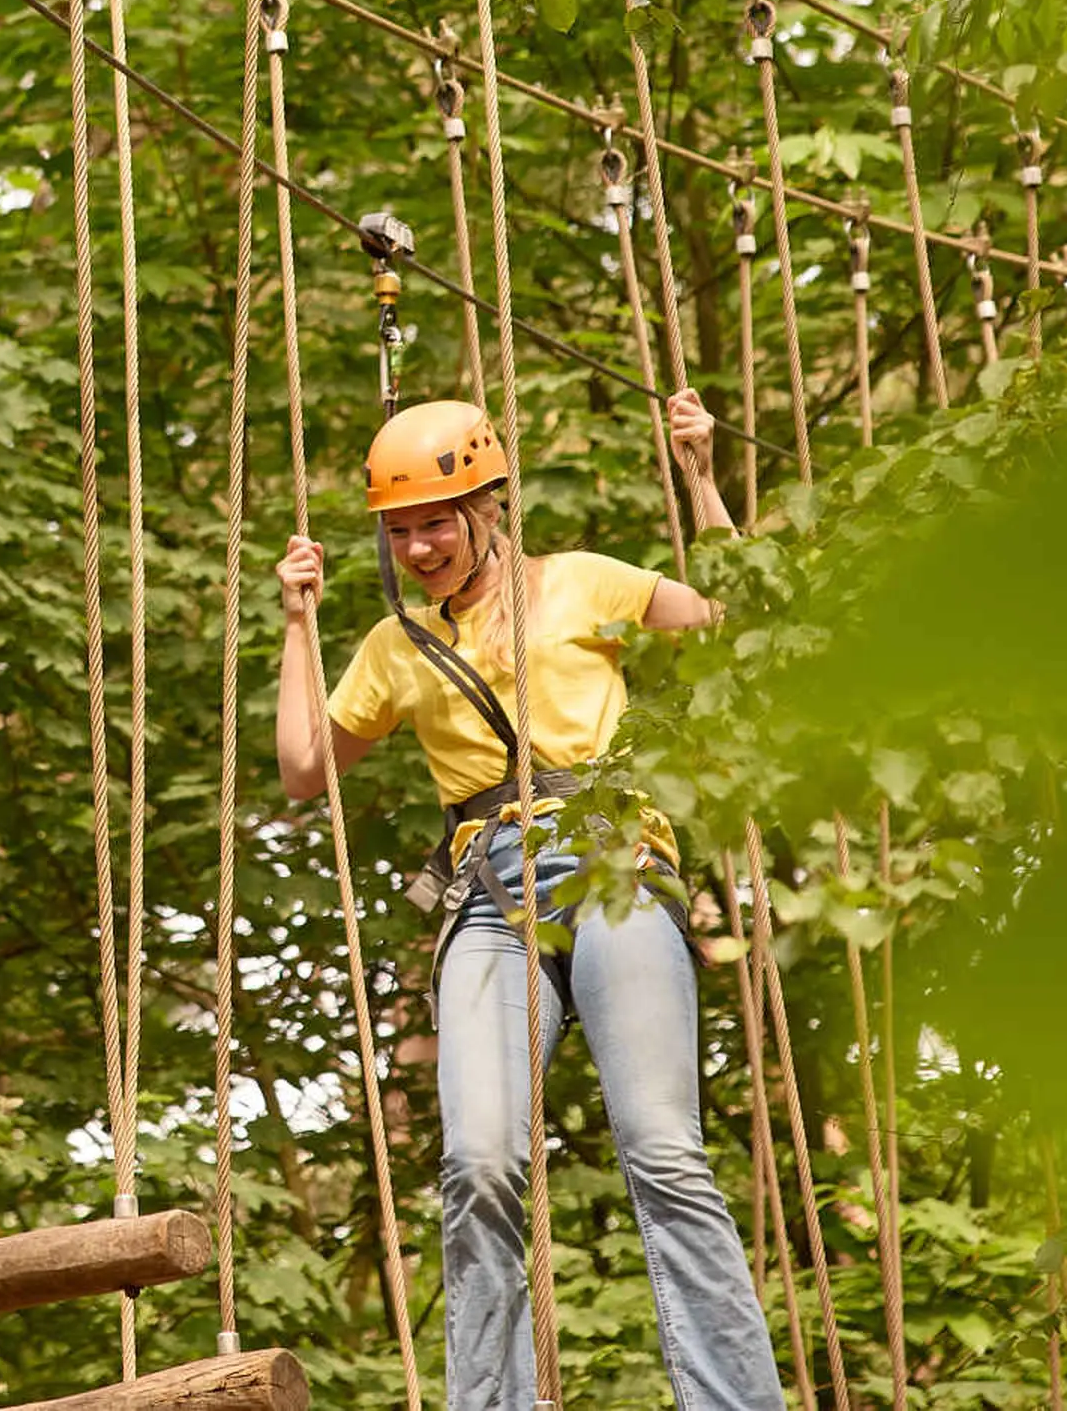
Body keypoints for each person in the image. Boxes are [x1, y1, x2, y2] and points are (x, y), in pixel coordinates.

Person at [276, 389, 785, 1411]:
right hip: (490, 900)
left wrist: (700, 480)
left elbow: (740, 618)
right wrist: (297, 624)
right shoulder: (397, 647)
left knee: (660, 1147)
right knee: (476, 1161)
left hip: (612, 871)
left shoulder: (583, 584)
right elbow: (301, 768)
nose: (418, 546)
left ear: (489, 505)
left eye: (436, 520)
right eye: (400, 529)